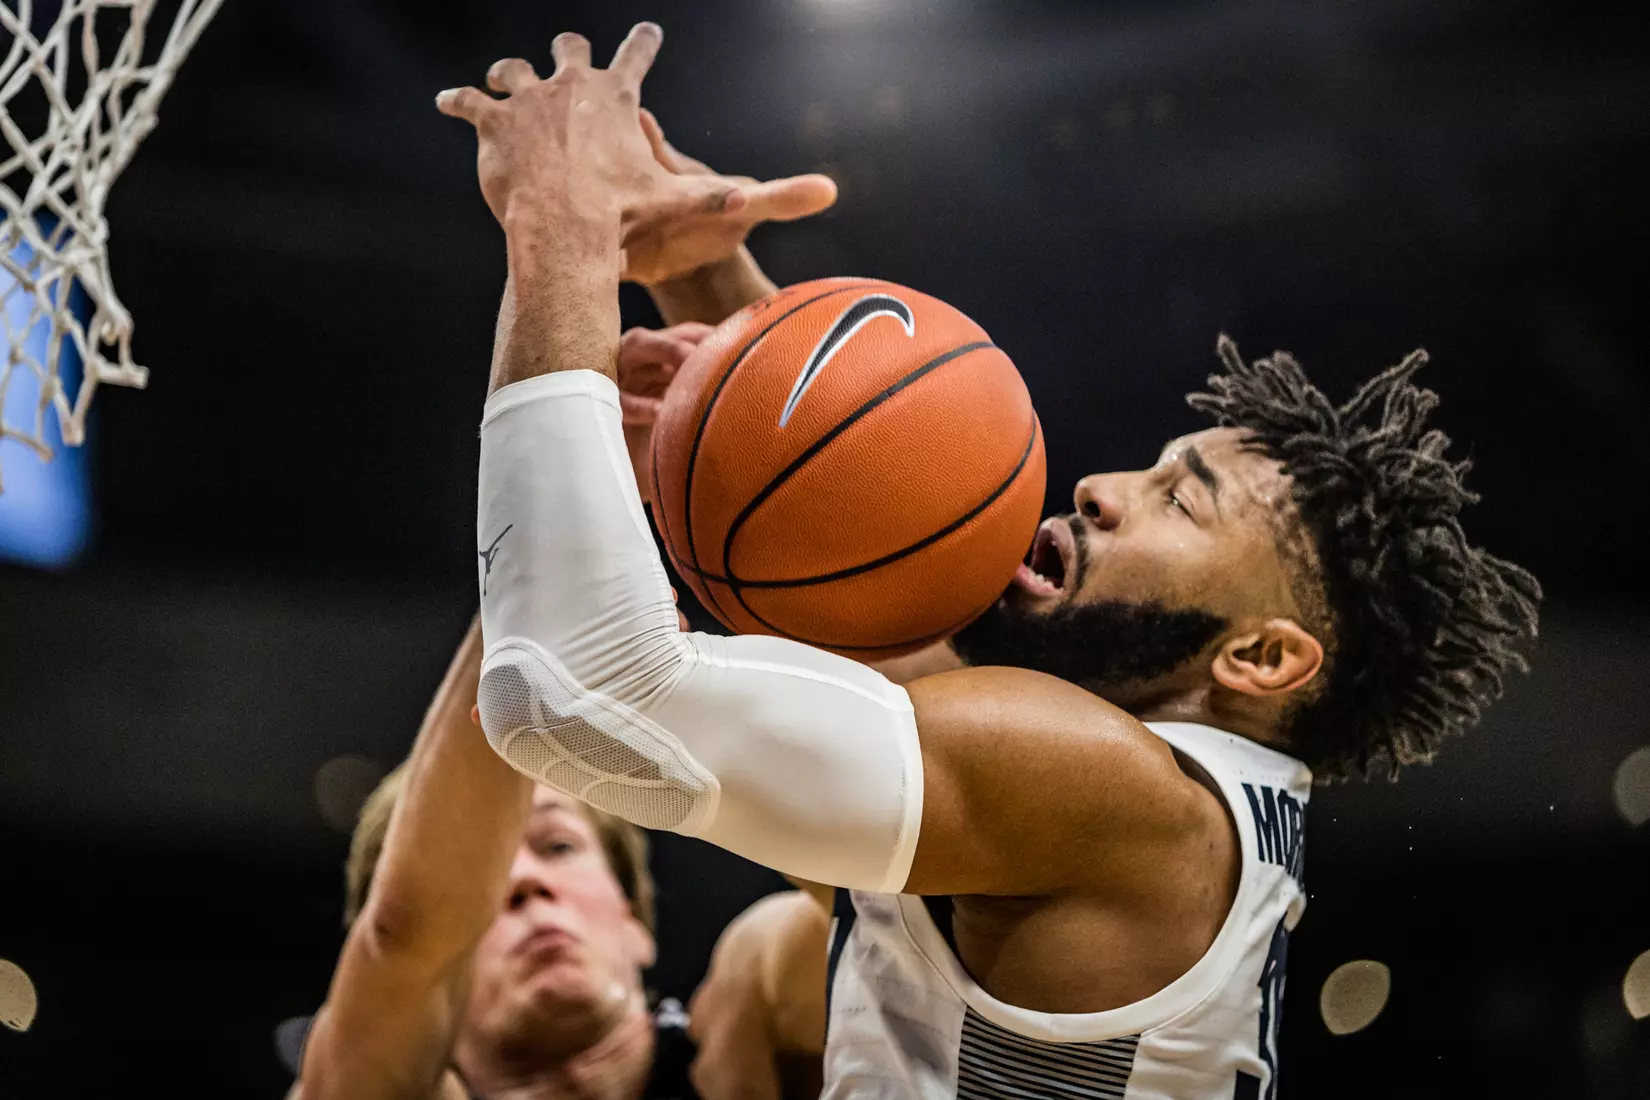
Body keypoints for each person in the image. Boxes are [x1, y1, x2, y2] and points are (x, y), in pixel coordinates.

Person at [436, 24, 1541, 1099]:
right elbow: (856, 488)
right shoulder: (1143, 779)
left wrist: (561, 227)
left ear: (1260, 656)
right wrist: (702, 274)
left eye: (1179, 499)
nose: (1102, 487)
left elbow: (571, 696)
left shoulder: (1102, 785)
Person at [287, 333, 833, 1100]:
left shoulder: (750, 1021)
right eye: (479, 885)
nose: (525, 886)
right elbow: (407, 932)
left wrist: (705, 425)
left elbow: (894, 907)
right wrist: (576, 504)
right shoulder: (360, 1081)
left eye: (558, 846)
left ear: (635, 921)